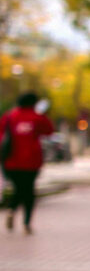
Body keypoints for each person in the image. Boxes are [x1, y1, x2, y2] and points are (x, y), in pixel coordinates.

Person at [0, 92, 55, 235]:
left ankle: (12, 210)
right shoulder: (37, 117)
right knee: (28, 191)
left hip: (11, 161)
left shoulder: (9, 116)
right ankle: (26, 223)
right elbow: (49, 130)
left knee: (18, 189)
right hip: (31, 161)